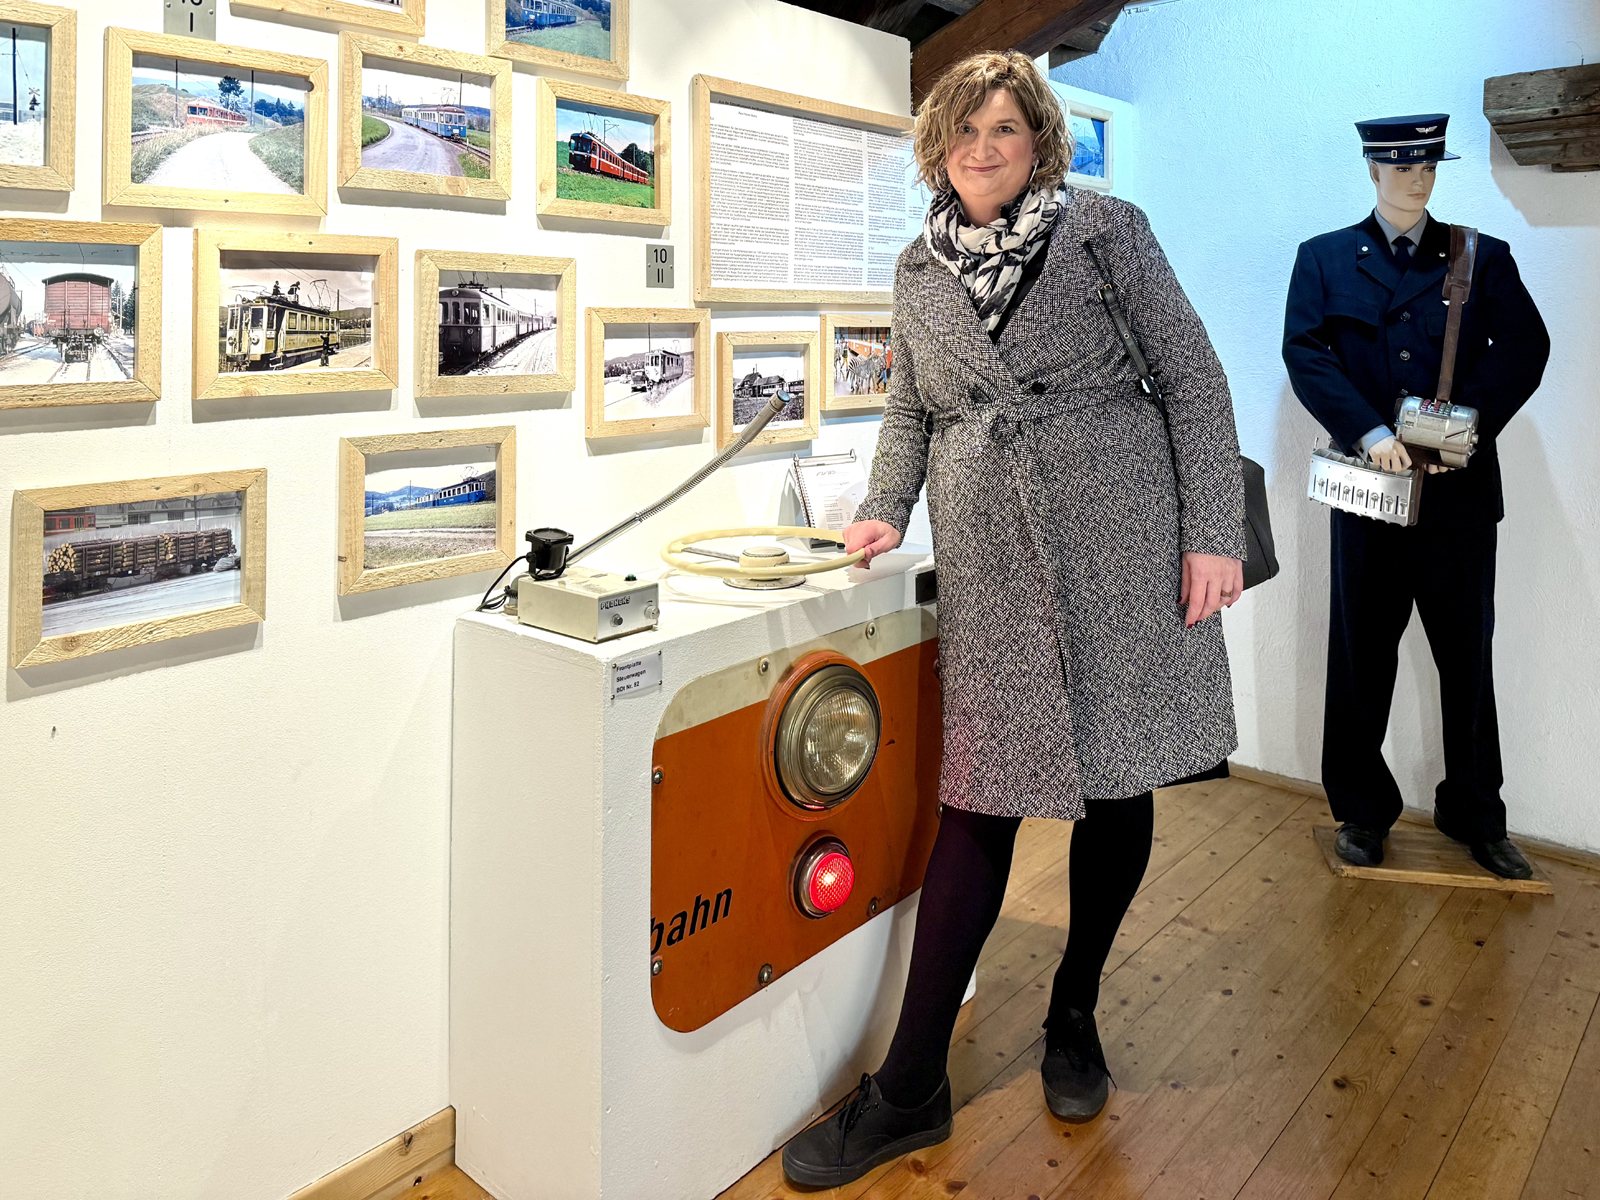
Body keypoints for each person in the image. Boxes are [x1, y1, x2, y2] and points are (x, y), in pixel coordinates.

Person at [780, 50, 1247, 1188]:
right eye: (963, 129)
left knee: (1118, 778)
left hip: (1119, 529)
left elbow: (1192, 376)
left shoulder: (1104, 230)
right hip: (988, 548)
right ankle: (911, 1087)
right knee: (980, 798)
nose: (982, 148)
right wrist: (881, 508)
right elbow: (908, 403)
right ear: (935, 147)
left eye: (1004, 127)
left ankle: (1073, 1012)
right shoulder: (916, 265)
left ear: (1038, 138)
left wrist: (1212, 532)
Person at [1282, 115, 1549, 879]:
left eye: (1428, 166)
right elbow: (1305, 352)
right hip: (1369, 490)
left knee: (1467, 658)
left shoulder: (1480, 256)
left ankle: (1476, 813)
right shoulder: (1325, 258)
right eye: (1401, 167)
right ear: (1373, 170)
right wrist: (1368, 431)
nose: (1417, 179)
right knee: (1360, 655)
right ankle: (1362, 811)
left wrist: (1459, 430)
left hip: (1458, 498)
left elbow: (1527, 347)